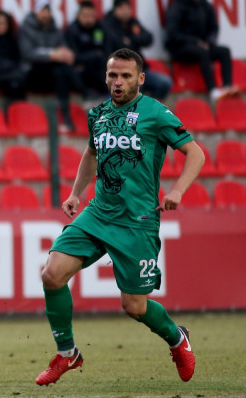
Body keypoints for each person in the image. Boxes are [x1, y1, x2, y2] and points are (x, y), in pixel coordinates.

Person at [35, 48, 203, 386]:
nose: (118, 81)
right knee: (52, 275)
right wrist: (75, 192)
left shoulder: (155, 113)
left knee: (135, 307)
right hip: (99, 213)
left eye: (126, 75)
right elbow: (91, 153)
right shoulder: (97, 113)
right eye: (113, 74)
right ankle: (67, 354)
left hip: (136, 221)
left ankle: (176, 338)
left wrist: (177, 191)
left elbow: (195, 153)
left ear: (141, 78)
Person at [165, 0, 238, 103]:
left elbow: (214, 28)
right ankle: (213, 90)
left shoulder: (206, 5)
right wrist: (195, 42)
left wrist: (209, 41)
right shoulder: (177, 6)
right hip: (180, 47)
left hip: (201, 45)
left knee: (224, 51)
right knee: (202, 51)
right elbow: (173, 33)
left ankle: (228, 86)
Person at [19, 0, 86, 132]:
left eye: (48, 11)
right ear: (36, 12)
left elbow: (63, 48)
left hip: (54, 73)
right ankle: (85, 92)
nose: (45, 15)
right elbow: (27, 54)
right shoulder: (26, 29)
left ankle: (67, 119)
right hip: (32, 73)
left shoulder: (55, 29)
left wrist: (66, 54)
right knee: (60, 69)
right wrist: (51, 55)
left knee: (61, 71)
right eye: (42, 11)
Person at [103, 0, 172, 101]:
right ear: (115, 10)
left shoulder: (133, 23)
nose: (125, 12)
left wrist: (132, 39)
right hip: (121, 73)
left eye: (127, 8)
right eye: (121, 8)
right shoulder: (108, 25)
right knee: (136, 88)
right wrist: (133, 40)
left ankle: (149, 109)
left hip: (139, 70)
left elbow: (148, 38)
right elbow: (121, 46)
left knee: (165, 82)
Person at [65, 0, 109, 97]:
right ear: (78, 15)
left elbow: (106, 48)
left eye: (92, 16)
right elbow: (73, 56)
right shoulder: (72, 30)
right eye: (85, 16)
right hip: (81, 69)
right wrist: (95, 55)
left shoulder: (99, 28)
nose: (89, 19)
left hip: (99, 67)